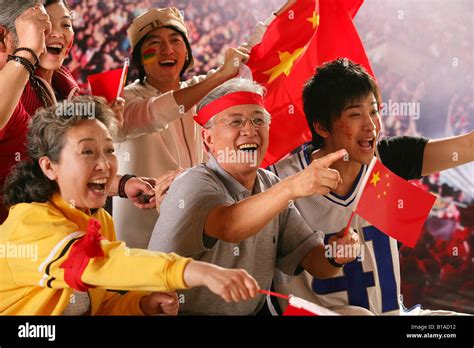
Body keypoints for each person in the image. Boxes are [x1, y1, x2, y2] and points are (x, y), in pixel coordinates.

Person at [0, 96, 259, 315]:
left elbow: (100, 303)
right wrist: (198, 271)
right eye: (88, 152)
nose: (105, 164)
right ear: (49, 166)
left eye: (109, 150)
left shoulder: (99, 220)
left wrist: (140, 304)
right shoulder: (28, 222)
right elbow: (99, 264)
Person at [269, 58, 474, 315]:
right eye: (355, 114)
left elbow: (467, 147)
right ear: (321, 126)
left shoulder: (387, 159)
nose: (371, 125)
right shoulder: (280, 181)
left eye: (374, 111)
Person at [148, 78, 361, 315]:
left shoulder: (269, 184)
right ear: (208, 139)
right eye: (236, 121)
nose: (250, 130)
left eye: (258, 120)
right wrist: (293, 186)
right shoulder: (193, 182)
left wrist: (337, 254)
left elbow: (315, 261)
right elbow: (230, 225)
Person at [114, 2, 295, 248]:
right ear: (139, 58)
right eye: (153, 44)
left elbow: (250, 54)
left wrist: (284, 13)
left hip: (197, 234)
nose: (166, 50)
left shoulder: (203, 88)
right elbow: (155, 113)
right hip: (141, 245)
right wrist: (220, 75)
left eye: (175, 41)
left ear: (187, 53)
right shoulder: (123, 101)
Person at [0, 0, 158, 223]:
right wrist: (27, 52)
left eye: (65, 24)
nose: (55, 33)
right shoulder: (12, 87)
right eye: (42, 25)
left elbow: (64, 168)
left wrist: (122, 183)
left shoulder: (65, 86)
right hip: (15, 235)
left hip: (59, 228)